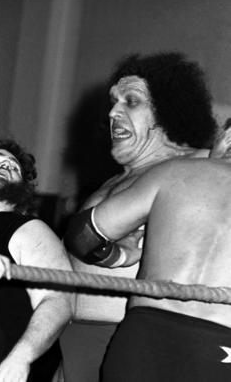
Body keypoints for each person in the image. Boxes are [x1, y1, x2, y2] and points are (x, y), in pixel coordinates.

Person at [59, 51, 218, 382]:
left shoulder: (199, 167)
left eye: (131, 101)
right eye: (114, 102)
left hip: (140, 339)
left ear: (169, 111)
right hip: (73, 339)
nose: (114, 111)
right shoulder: (113, 182)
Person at [0, 138, 74, 382]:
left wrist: (22, 356)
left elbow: (58, 299)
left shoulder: (25, 228)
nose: (6, 165)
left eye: (14, 166)